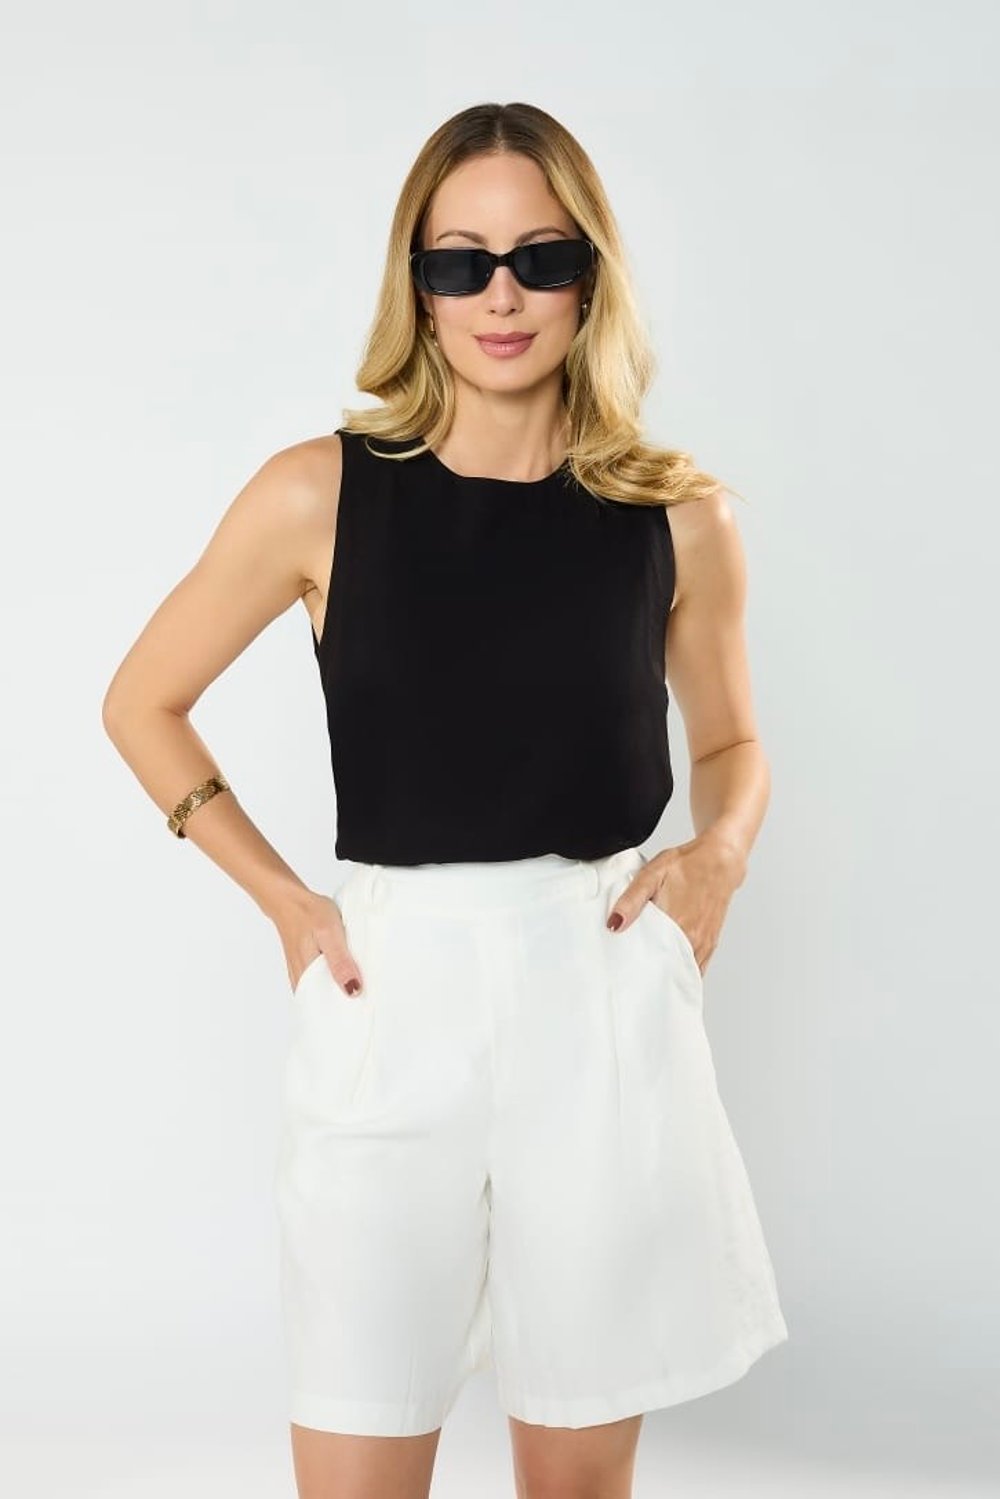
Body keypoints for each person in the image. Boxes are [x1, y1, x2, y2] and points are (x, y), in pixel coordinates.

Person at [102, 100, 789, 1499]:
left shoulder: (679, 516)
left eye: (541, 258)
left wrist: (718, 853)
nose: (501, 296)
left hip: (598, 994)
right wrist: (284, 900)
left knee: (577, 1482)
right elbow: (141, 703)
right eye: (461, 262)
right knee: (358, 1463)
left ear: (591, 275)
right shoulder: (317, 495)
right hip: (388, 992)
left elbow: (731, 740)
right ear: (415, 285)